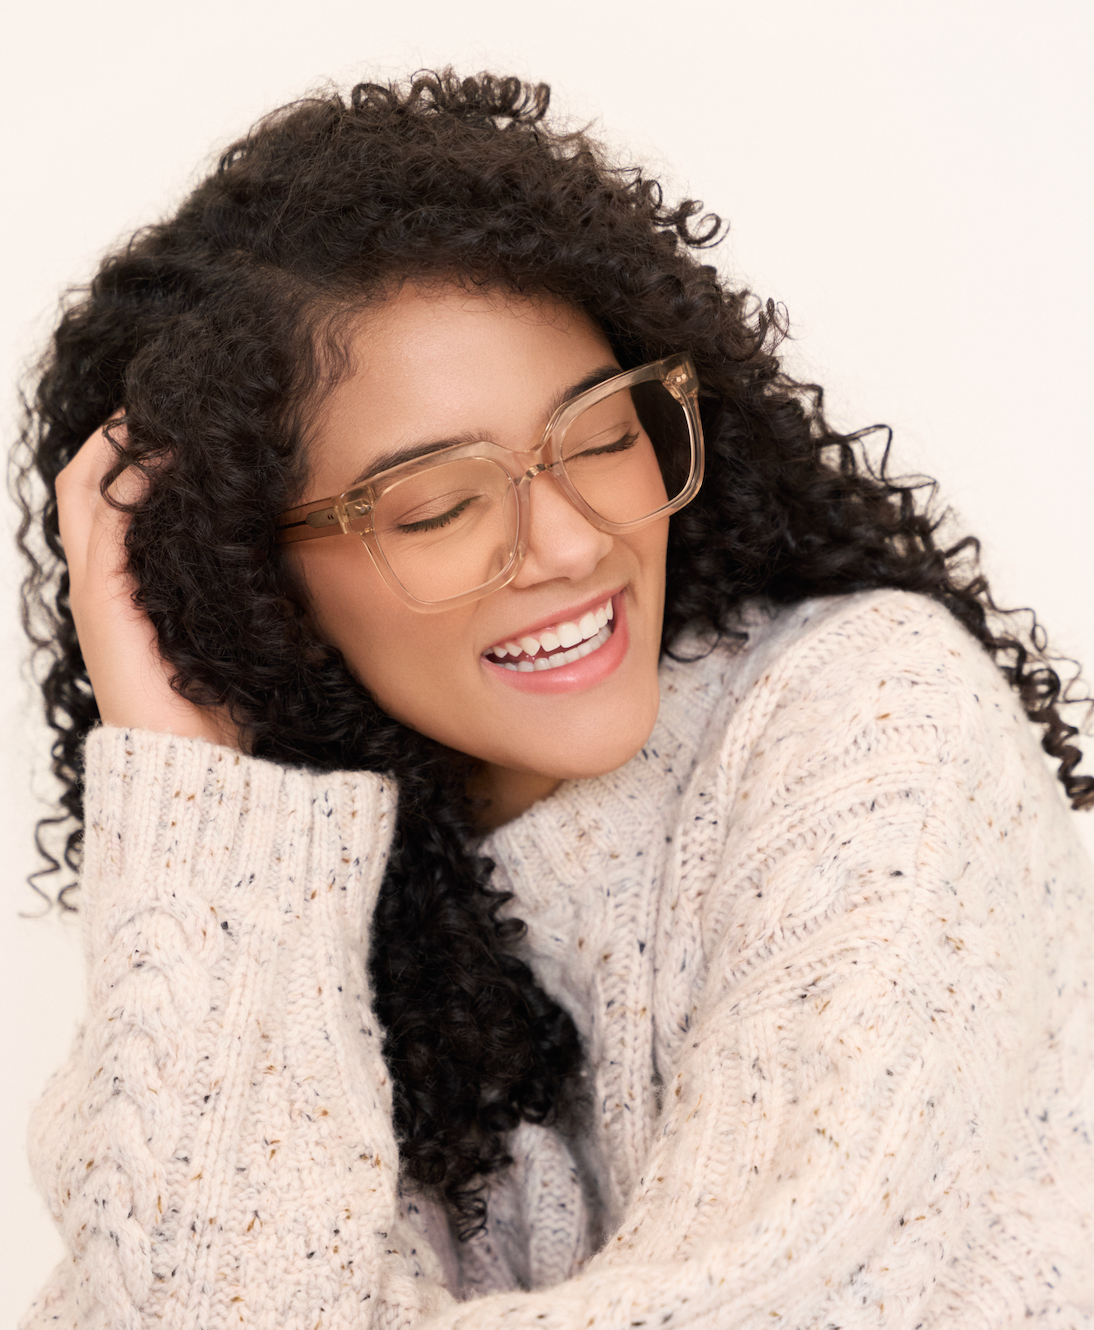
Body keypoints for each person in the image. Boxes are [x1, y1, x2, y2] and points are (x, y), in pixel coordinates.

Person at [15, 70, 1094, 1328]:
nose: (574, 544)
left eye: (596, 434)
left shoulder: (867, 721)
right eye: (438, 506)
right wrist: (199, 787)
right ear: (255, 572)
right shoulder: (297, 899)